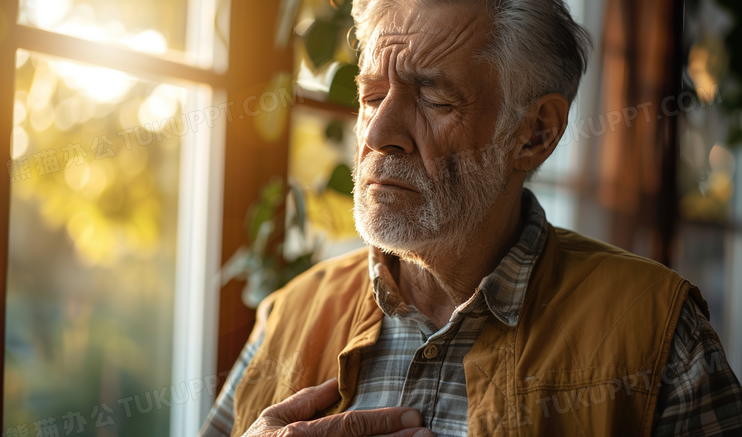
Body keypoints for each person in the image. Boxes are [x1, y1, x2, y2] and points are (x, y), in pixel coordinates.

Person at [200, 0, 742, 435]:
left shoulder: (658, 334)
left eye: (434, 99)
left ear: (536, 133)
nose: (376, 134)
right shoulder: (290, 316)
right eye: (371, 95)